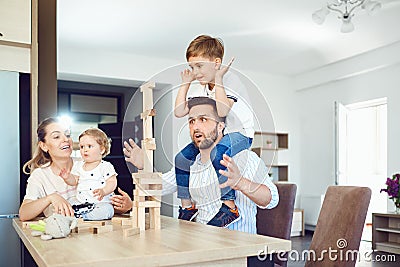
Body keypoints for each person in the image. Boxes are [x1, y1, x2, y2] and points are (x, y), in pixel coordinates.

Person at [123, 97, 278, 233]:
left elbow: (272, 200)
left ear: (220, 126)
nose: (195, 127)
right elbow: (159, 187)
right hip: (198, 242)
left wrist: (241, 182)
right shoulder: (189, 163)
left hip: (236, 252)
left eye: (203, 119)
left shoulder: (244, 158)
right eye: (191, 121)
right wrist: (145, 166)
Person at [174, 35, 255, 227]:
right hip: (220, 134)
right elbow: (179, 112)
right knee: (181, 158)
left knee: (219, 153)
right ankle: (188, 207)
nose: (195, 72)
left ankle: (229, 206)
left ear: (216, 63)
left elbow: (222, 110)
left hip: (241, 133)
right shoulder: (203, 89)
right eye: (192, 67)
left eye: (200, 66)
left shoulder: (230, 80)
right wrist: (186, 83)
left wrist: (218, 77)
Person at [19, 117, 128, 222]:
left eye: (68, 135)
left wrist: (126, 206)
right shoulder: (40, 176)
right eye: (57, 137)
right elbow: (24, 214)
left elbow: (105, 202)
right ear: (43, 146)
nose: (66, 139)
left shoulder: (90, 163)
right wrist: (51, 198)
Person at [60, 128, 117, 220]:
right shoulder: (78, 165)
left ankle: (83, 215)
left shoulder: (105, 166)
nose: (84, 150)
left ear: (102, 150)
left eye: (89, 146)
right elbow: (74, 181)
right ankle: (78, 212)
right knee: (69, 201)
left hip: (100, 203)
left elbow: (112, 182)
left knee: (107, 210)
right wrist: (67, 177)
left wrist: (104, 191)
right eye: (82, 147)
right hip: (81, 202)